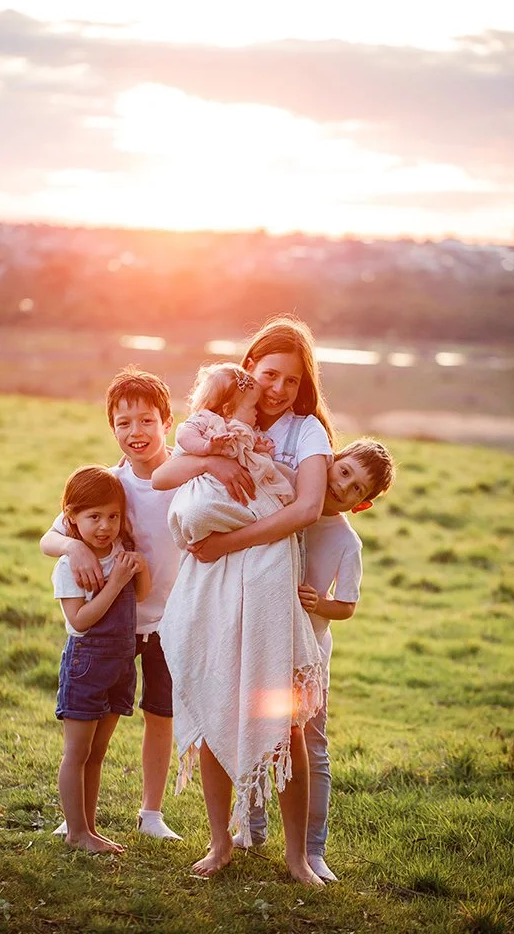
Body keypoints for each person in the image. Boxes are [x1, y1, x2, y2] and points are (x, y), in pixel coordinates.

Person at [153, 316, 334, 884]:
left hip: (266, 580)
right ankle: (219, 842)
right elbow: (168, 473)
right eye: (271, 375)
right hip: (212, 584)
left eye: (292, 381)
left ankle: (297, 856)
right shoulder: (221, 412)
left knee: (286, 724)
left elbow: (304, 509)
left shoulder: (307, 432)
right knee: (213, 697)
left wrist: (227, 540)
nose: (279, 389)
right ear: (250, 367)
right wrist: (212, 461)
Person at [234, 438, 397, 881]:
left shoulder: (346, 541)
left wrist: (318, 603)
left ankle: (312, 846)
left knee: (310, 744)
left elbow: (347, 606)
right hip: (266, 645)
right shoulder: (290, 505)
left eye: (356, 489)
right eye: (344, 472)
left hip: (307, 657)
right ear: (330, 462)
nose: (343, 486)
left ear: (361, 505)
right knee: (259, 733)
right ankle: (250, 827)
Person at [40, 368, 183, 842]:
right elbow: (50, 537)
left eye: (146, 421)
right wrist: (73, 548)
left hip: (171, 619)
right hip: (111, 625)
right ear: (113, 429)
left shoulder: (186, 475)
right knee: (96, 726)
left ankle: (152, 813)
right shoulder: (110, 485)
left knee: (160, 714)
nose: (135, 433)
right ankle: (77, 816)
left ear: (167, 422)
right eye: (124, 424)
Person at [53, 465, 151, 854]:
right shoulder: (70, 566)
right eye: (93, 517)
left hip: (120, 665)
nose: (104, 526)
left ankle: (88, 829)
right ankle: (75, 832)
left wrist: (138, 569)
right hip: (87, 665)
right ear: (72, 519)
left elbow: (141, 595)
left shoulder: (119, 553)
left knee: (97, 754)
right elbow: (79, 621)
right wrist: (114, 582)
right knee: (76, 754)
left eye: (112, 516)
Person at [175, 361, 295, 503]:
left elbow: (252, 460)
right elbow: (184, 435)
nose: (257, 411)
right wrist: (206, 447)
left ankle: (274, 493)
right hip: (208, 488)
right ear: (229, 410)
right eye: (253, 407)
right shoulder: (206, 418)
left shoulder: (248, 431)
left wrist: (260, 450)